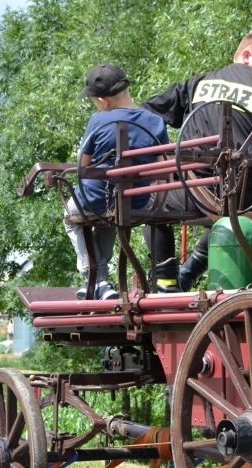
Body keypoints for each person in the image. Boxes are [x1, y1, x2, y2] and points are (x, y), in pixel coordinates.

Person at [141, 31, 252, 292]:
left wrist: (160, 154)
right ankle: (191, 268)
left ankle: (168, 281)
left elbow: (146, 113)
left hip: (195, 190)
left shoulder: (198, 83)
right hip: (250, 197)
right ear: (246, 55)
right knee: (231, 208)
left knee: (148, 200)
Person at [67, 64, 170, 299]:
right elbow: (163, 166)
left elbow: (83, 167)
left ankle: (94, 276)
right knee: (107, 218)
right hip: (138, 201)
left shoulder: (98, 120)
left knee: (72, 216)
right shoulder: (154, 121)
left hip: (96, 199)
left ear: (103, 101)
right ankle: (99, 283)